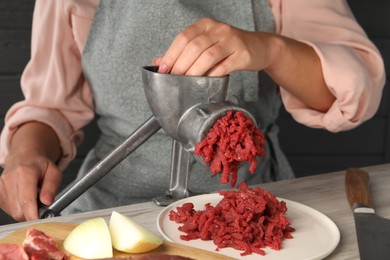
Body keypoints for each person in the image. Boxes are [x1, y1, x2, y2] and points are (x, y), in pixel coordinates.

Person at [0, 0, 385, 222]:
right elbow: (51, 106)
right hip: (110, 208)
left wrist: (271, 49)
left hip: (248, 205)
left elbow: (351, 92)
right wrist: (26, 153)